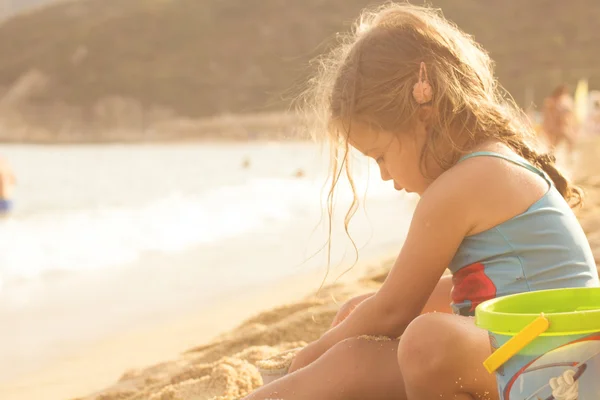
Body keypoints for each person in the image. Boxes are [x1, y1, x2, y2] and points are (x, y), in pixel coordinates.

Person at [243, 3, 600, 400]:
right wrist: (344, 336)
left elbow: (394, 309)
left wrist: (308, 355)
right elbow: (460, 292)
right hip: (530, 351)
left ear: (421, 116)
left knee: (422, 339)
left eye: (380, 155)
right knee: (355, 318)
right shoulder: (485, 163)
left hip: (562, 367)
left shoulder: (460, 186)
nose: (384, 174)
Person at [542, 84, 577, 155]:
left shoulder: (562, 101)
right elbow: (548, 116)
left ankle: (568, 155)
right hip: (554, 127)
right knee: (554, 145)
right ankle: (551, 156)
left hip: (560, 127)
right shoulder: (551, 102)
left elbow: (568, 114)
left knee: (557, 144)